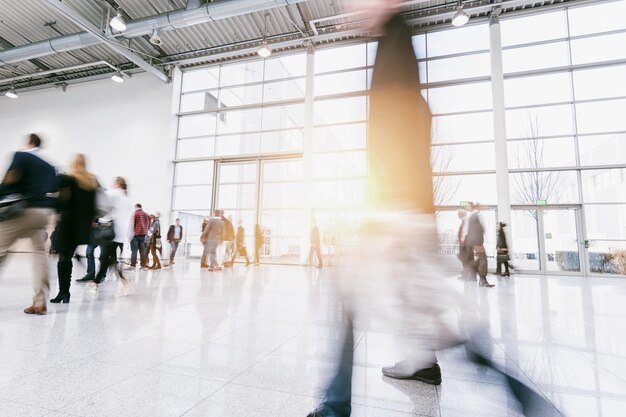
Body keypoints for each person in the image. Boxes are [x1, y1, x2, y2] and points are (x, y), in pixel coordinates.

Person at [0, 134, 57, 315]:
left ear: (29, 142)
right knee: (40, 254)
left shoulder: (21, 156)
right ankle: (40, 302)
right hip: (44, 213)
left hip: (25, 210)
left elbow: (9, 183)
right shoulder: (49, 166)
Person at [51, 154, 98, 304]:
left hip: (67, 225)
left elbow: (61, 203)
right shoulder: (92, 182)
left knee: (63, 259)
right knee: (68, 256)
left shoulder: (68, 180)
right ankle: (65, 293)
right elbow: (96, 207)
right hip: (81, 228)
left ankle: (64, 292)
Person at [91, 177, 132, 295]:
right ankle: (97, 281)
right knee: (108, 258)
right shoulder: (126, 197)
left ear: (118, 184)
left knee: (105, 258)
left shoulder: (114, 193)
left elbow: (102, 201)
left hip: (109, 231)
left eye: (113, 183)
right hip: (120, 233)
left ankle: (98, 281)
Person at [466, 203, 494, 288]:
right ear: (476, 207)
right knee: (483, 259)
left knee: (479, 259)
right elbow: (482, 229)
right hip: (476, 240)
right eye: (480, 206)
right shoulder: (476, 215)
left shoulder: (471, 216)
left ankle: (473, 271)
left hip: (472, 241)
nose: (482, 207)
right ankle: (482, 280)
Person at [128, 203, 150, 270]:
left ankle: (133, 266)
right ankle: (143, 266)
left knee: (134, 251)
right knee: (142, 251)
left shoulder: (134, 213)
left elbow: (131, 225)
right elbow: (149, 226)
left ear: (136, 207)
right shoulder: (147, 215)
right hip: (143, 235)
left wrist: (129, 235)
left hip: (135, 235)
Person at [456, 209, 468, 280]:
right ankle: (465, 274)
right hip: (463, 243)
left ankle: (466, 275)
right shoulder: (463, 221)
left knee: (464, 259)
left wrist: (462, 240)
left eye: (459, 214)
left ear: (462, 214)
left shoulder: (465, 221)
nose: (458, 215)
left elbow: (465, 232)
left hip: (464, 244)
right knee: (463, 259)